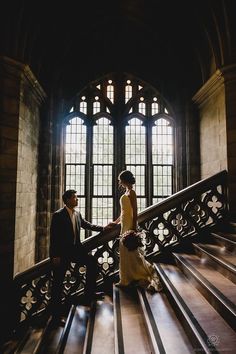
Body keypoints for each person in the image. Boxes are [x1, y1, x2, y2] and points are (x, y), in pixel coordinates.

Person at [49, 189, 109, 324]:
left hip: (76, 251)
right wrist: (55, 256)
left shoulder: (77, 213)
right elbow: (54, 237)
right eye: (75, 198)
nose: (77, 199)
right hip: (62, 254)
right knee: (58, 283)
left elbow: (88, 225)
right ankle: (56, 317)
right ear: (68, 200)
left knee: (92, 262)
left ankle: (89, 294)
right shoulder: (58, 215)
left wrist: (104, 228)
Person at [111, 170, 162, 292]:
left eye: (120, 180)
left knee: (130, 251)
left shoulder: (132, 192)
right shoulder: (126, 192)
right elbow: (123, 211)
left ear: (125, 180)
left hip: (130, 224)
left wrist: (133, 228)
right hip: (124, 223)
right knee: (124, 252)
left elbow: (135, 211)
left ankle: (136, 275)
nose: (119, 182)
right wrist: (115, 222)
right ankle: (126, 278)